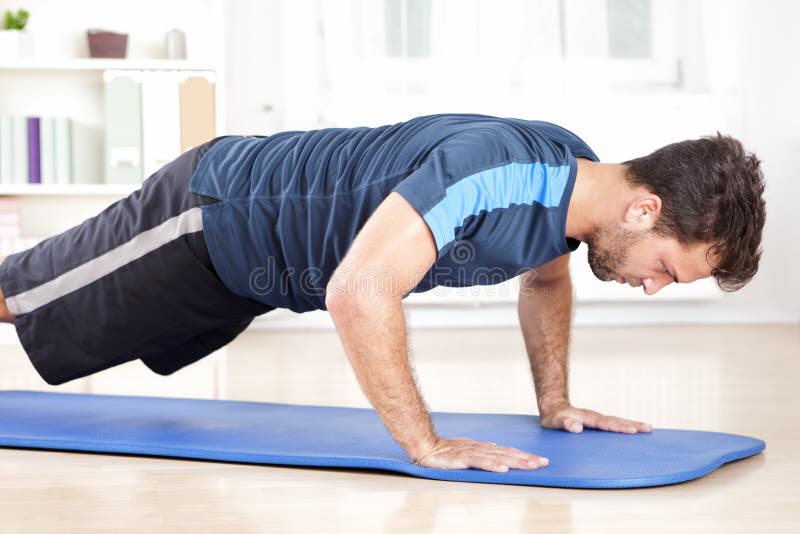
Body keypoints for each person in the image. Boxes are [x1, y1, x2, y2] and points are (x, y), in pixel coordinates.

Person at [0, 113, 766, 473]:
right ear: (644, 210)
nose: (654, 288)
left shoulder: (575, 184)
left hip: (247, 278)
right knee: (21, 296)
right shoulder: (496, 168)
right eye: (667, 267)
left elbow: (545, 277)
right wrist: (424, 445)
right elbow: (359, 292)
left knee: (93, 338)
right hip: (210, 217)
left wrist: (555, 403)